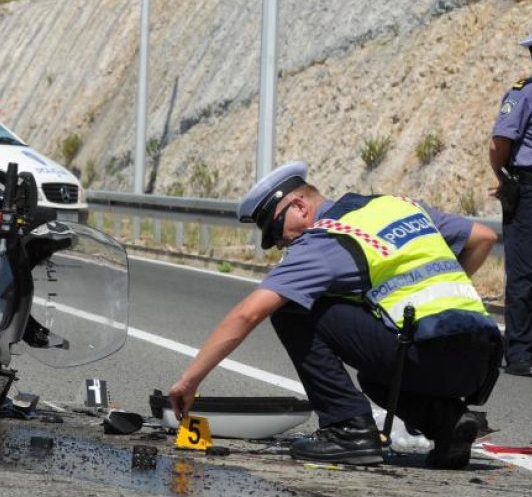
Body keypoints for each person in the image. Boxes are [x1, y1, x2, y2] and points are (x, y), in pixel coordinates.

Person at [168, 161, 502, 469]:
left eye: (275, 229)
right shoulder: (396, 206)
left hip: (426, 357)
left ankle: (348, 429)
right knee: (375, 378)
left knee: (292, 310)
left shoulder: (324, 239)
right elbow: (483, 237)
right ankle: (450, 423)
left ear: (299, 206)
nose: (279, 244)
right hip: (481, 361)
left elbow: (247, 314)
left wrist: (190, 381)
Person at [489, 30, 532, 378]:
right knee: (526, 271)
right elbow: (499, 144)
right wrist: (505, 178)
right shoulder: (525, 94)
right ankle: (521, 352)